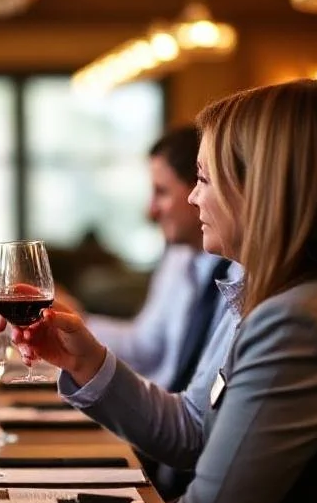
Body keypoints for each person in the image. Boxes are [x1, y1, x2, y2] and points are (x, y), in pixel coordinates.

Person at [9, 80, 317, 503]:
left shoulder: (300, 321)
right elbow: (194, 430)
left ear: (261, 188)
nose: (192, 197)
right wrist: (86, 361)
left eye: (202, 178)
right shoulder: (267, 290)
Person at [77, 126, 233, 392]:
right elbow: (144, 346)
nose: (150, 211)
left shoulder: (248, 274)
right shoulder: (178, 257)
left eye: (162, 192)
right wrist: (76, 323)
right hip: (167, 412)